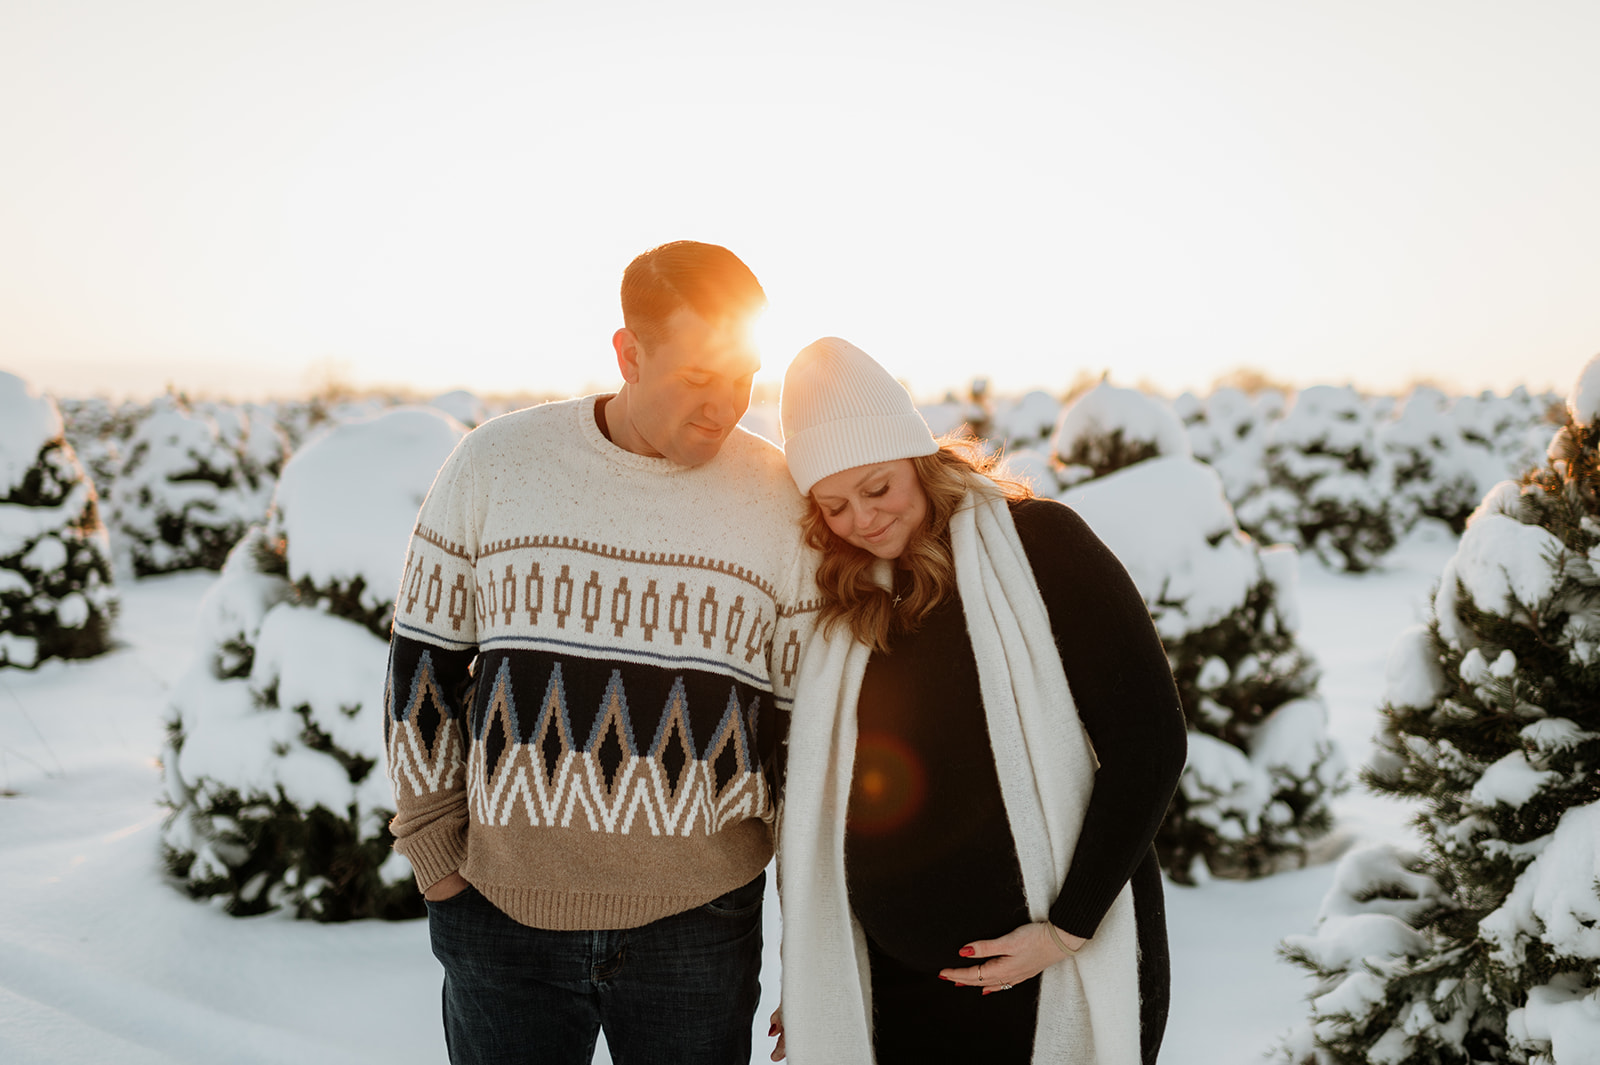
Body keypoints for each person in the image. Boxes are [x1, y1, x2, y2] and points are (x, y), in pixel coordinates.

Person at [383, 240, 816, 1065]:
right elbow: (421, 673)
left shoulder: (778, 501)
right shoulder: (496, 465)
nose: (725, 405)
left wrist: (812, 953)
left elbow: (802, 739)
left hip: (700, 927)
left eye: (743, 376)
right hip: (502, 919)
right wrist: (438, 864)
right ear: (629, 353)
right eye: (698, 376)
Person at [770, 337, 1186, 1065]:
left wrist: (1066, 927)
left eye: (878, 488)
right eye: (832, 506)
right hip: (896, 989)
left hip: (1045, 968)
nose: (861, 520)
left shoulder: (1043, 546)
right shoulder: (844, 599)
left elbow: (1149, 741)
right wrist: (824, 977)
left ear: (920, 459)